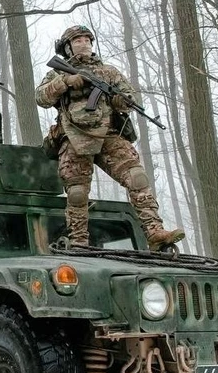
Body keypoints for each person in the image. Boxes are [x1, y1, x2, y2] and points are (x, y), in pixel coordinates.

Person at [35, 25, 184, 250]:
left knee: (137, 177)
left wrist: (119, 99)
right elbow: (41, 97)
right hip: (74, 138)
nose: (84, 44)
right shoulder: (58, 72)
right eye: (78, 41)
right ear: (67, 47)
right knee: (77, 193)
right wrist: (65, 82)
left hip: (108, 135)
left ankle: (154, 232)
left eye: (87, 40)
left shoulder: (109, 72)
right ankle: (79, 242)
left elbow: (128, 99)